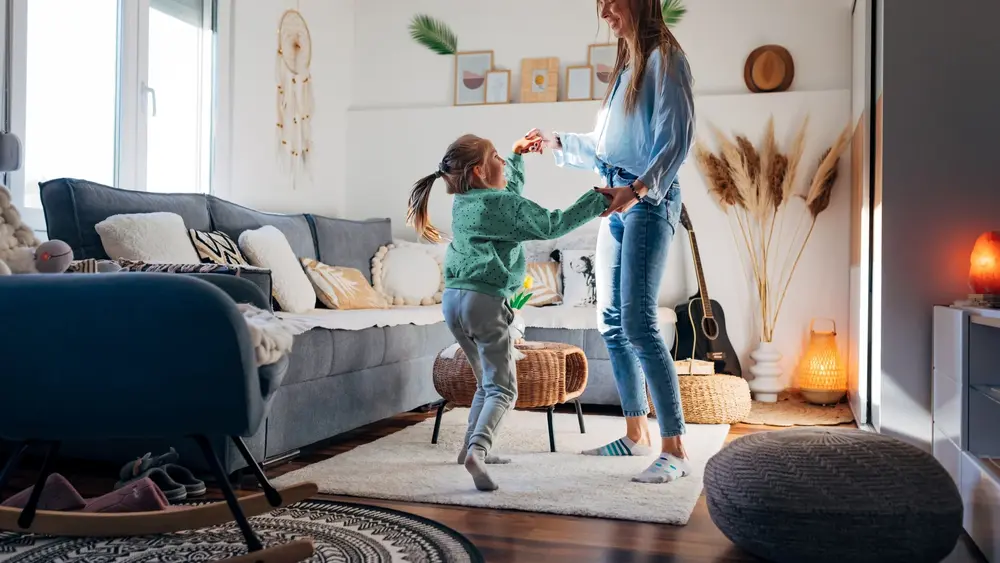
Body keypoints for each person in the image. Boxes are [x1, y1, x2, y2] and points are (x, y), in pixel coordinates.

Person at [529, 0, 695, 484]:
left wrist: (639, 190)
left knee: (640, 324)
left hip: (645, 201)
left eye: (611, 2)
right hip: (616, 199)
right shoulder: (627, 66)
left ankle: (676, 448)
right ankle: (634, 433)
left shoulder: (667, 57)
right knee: (611, 323)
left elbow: (676, 140)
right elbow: (608, 147)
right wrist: (556, 141)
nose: (604, 12)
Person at [407, 132, 611, 491]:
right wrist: (599, 200)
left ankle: (471, 446)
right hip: (483, 302)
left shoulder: (467, 201)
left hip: (453, 300)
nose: (503, 161)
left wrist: (517, 157)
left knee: (487, 382)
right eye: (498, 157)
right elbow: (551, 224)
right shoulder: (500, 206)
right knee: (504, 389)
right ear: (479, 172)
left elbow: (507, 197)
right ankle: (477, 452)